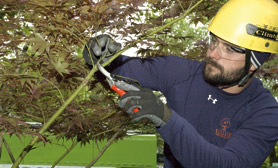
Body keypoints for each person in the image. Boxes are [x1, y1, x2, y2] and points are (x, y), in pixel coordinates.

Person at [83, 0, 278, 167]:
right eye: (214, 41)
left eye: (230, 49)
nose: (213, 53)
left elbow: (227, 163)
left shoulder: (266, 112)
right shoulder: (182, 72)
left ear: (254, 63)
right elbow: (122, 71)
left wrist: (165, 117)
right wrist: (104, 57)